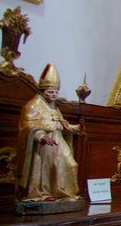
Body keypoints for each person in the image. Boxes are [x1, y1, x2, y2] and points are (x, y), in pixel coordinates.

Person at [18, 63, 82, 202]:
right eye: (50, 92)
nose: (54, 95)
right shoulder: (33, 106)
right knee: (46, 168)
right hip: (43, 143)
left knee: (70, 164)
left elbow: (60, 123)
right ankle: (43, 193)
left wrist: (74, 127)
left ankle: (64, 193)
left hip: (57, 140)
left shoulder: (53, 107)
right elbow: (28, 124)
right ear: (42, 91)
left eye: (56, 92)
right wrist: (41, 136)